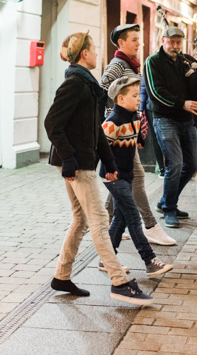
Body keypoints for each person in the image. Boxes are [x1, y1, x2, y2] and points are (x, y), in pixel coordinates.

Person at [45, 32, 153, 305]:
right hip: (77, 164)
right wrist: (69, 158)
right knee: (99, 220)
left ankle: (62, 276)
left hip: (81, 160)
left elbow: (94, 128)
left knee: (81, 220)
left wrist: (110, 161)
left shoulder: (87, 84)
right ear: (84, 54)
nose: (97, 53)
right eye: (94, 49)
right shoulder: (75, 84)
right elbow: (52, 123)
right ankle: (120, 281)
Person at [100, 23, 176, 246]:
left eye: (139, 39)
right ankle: (150, 225)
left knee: (122, 179)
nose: (138, 43)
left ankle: (108, 222)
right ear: (121, 43)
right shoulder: (117, 65)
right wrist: (114, 117)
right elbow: (102, 91)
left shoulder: (131, 65)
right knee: (136, 177)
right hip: (118, 132)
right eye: (134, 39)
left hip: (129, 131)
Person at [100, 76, 174, 277]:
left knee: (120, 219)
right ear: (121, 99)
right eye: (134, 96)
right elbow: (101, 148)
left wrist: (139, 136)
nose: (139, 99)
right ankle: (150, 261)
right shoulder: (112, 122)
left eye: (138, 95)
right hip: (113, 176)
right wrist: (109, 167)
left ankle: (106, 260)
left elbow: (135, 140)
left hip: (127, 174)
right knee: (133, 216)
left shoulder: (133, 117)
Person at [145, 26, 197, 229]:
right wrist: (182, 103)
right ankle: (169, 209)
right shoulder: (152, 62)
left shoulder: (187, 61)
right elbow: (156, 92)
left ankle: (167, 200)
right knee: (174, 164)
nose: (175, 46)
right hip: (164, 118)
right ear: (163, 40)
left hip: (187, 119)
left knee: (191, 166)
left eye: (178, 42)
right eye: (171, 42)